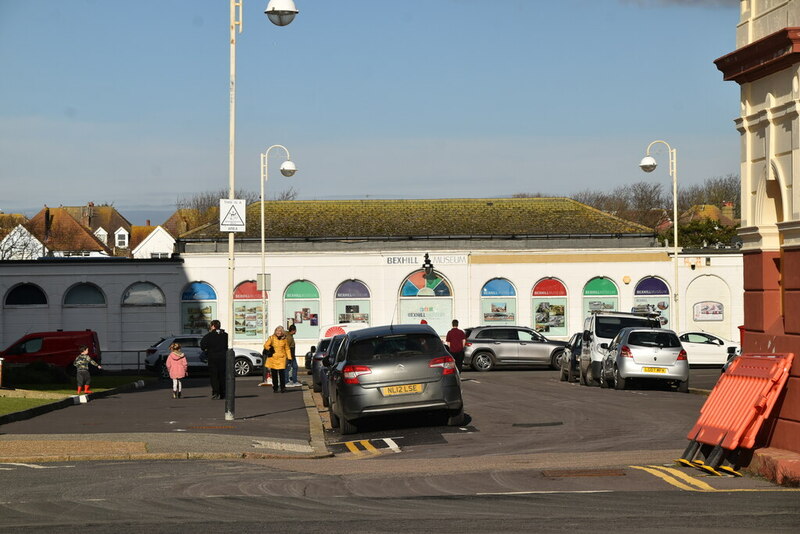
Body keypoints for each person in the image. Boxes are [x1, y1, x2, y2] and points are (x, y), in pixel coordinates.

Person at [200, 319, 229, 400]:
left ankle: (216, 393)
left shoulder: (208, 336)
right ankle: (223, 393)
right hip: (223, 358)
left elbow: (203, 346)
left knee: (214, 376)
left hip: (212, 358)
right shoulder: (225, 335)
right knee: (222, 376)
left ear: (212, 326)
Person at [263, 326, 291, 393]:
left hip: (282, 358)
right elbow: (266, 345)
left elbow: (287, 349)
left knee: (282, 374)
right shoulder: (271, 338)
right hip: (273, 358)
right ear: (275, 331)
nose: (279, 332)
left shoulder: (285, 339)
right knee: (274, 374)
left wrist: (289, 358)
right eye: (277, 331)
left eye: (280, 331)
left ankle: (283, 388)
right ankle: (275, 388)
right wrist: (270, 348)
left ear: (282, 332)